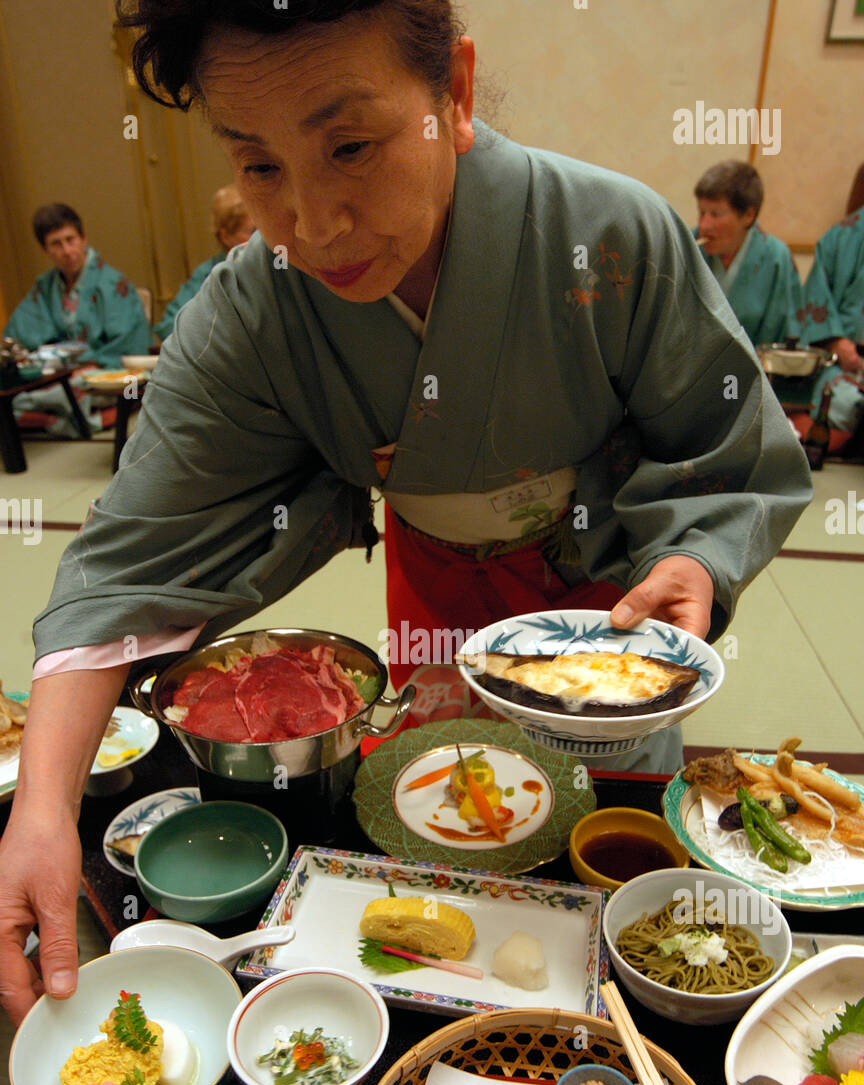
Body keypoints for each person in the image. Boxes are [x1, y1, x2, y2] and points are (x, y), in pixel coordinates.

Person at [0, 0, 812, 1025]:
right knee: (448, 827)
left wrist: (699, 559)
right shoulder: (258, 303)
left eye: (350, 145)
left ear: (455, 95)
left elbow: (724, 442)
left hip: (609, 609)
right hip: (434, 581)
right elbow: (128, 554)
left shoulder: (608, 238)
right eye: (258, 166)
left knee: (600, 863)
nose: (311, 220)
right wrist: (38, 809)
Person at [4, 202, 151, 435]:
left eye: (70, 240)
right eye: (56, 244)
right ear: (45, 249)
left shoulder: (114, 284)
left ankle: (72, 422)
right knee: (13, 399)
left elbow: (132, 344)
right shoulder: (45, 287)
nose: (66, 251)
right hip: (65, 377)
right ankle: (75, 420)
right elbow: (19, 334)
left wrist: (94, 364)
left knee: (118, 391)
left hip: (116, 377)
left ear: (83, 238)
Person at [694, 161, 802, 348]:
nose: (704, 225)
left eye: (715, 214)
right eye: (701, 213)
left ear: (748, 216)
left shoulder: (776, 258)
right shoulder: (687, 246)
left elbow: (787, 335)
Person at [155, 184, 255, 340]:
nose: (261, 238)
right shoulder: (207, 273)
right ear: (225, 236)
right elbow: (169, 326)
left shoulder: (279, 264)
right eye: (252, 232)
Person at [798, 210, 864, 431]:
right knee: (840, 404)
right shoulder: (840, 237)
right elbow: (815, 301)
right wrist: (837, 343)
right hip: (843, 363)